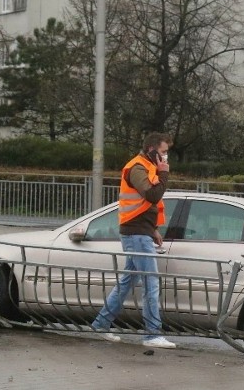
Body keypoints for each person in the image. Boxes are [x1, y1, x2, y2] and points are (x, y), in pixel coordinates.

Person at [90, 132, 176, 349]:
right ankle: (152, 334)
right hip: (135, 234)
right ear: (152, 150)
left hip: (139, 232)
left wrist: (152, 229)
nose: (166, 157)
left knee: (127, 282)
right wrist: (164, 173)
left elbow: (146, 205)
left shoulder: (146, 167)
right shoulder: (137, 167)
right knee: (150, 282)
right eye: (164, 152)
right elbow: (152, 196)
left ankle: (101, 324)